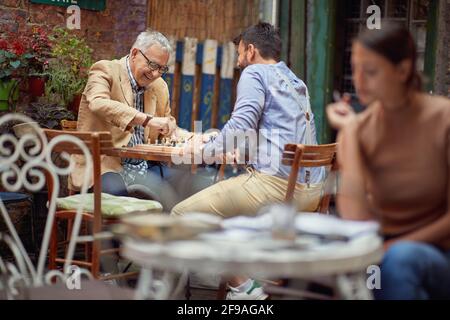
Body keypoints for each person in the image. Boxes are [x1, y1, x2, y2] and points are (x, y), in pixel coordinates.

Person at [171, 22, 325, 299]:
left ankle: (243, 287)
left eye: (240, 53)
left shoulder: (255, 73)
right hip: (311, 193)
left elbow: (241, 126)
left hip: (277, 191)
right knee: (225, 209)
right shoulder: (295, 81)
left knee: (182, 215)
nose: (239, 61)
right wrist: (238, 151)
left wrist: (199, 151)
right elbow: (280, 134)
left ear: (251, 50)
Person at [327, 22, 450, 300]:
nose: (358, 80)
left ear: (403, 70)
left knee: (397, 262)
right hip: (384, 252)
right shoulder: (360, 128)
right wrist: (351, 133)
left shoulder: (443, 119)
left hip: (439, 254)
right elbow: (356, 218)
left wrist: (391, 248)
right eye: (354, 68)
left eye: (370, 71)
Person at [71, 29, 211, 210]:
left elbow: (166, 131)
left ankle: (164, 237)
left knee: (189, 187)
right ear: (135, 53)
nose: (155, 74)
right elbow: (98, 102)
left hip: (145, 167)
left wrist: (195, 137)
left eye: (162, 69)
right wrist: (147, 120)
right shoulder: (105, 69)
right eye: (152, 65)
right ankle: (125, 238)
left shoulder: (159, 86)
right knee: (119, 196)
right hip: (105, 166)